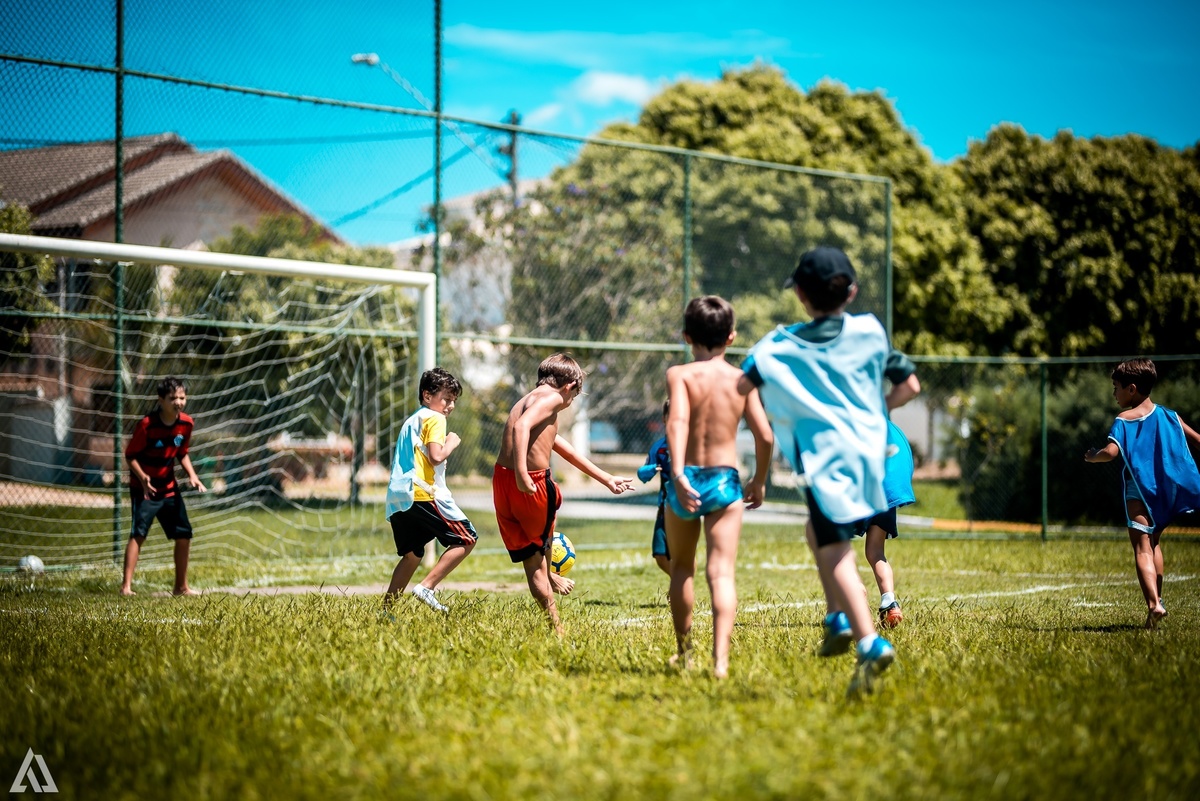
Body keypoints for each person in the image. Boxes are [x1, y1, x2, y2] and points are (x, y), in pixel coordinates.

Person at [738, 246, 900, 696]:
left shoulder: (778, 345)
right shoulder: (870, 331)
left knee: (832, 549)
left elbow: (742, 382)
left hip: (825, 461)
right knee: (817, 533)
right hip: (870, 455)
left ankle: (867, 640)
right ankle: (836, 619)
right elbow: (905, 380)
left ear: (801, 296)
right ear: (852, 291)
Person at [663, 296, 774, 679]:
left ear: (686, 336)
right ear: (731, 336)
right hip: (726, 481)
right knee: (722, 573)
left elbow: (677, 421)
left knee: (682, 568)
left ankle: (685, 653)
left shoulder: (680, 375)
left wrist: (677, 474)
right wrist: (758, 480)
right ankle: (721, 663)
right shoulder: (742, 380)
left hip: (687, 478)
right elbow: (764, 435)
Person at [493, 353, 635, 635]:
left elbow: (559, 445)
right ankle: (557, 626)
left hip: (502, 482)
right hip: (530, 482)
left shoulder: (527, 400)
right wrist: (523, 472)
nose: (570, 402)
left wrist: (605, 478)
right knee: (542, 552)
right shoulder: (554, 399)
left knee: (531, 560)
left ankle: (550, 584)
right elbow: (521, 429)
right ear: (569, 386)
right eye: (575, 395)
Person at [1084, 358, 1200, 629]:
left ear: (1132, 389)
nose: (1114, 393)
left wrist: (1093, 456)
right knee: (1154, 542)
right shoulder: (1170, 415)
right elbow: (1197, 440)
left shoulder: (1124, 419)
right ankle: (1153, 613)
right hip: (1165, 491)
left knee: (1141, 547)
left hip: (1140, 489)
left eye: (1116, 387)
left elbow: (1111, 453)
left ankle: (1154, 604)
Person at [382, 367, 478, 615]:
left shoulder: (413, 420)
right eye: (446, 398)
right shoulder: (435, 419)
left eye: (453, 400)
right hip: (422, 493)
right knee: (466, 538)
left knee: (412, 555)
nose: (450, 405)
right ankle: (427, 587)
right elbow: (436, 457)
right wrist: (451, 443)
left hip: (398, 496)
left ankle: (387, 612)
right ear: (427, 395)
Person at [120, 377, 207, 596]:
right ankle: (126, 587)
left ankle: (181, 587)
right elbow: (130, 456)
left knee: (184, 533)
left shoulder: (186, 424)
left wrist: (192, 475)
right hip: (145, 490)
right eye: (172, 398)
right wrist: (142, 478)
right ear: (161, 400)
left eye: (182, 397)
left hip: (169, 488)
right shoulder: (147, 425)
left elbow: (181, 453)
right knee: (138, 534)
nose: (178, 402)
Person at [861, 401, 921, 629]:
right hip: (888, 489)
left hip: (865, 486)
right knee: (875, 551)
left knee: (836, 546)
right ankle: (889, 602)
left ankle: (854, 596)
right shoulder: (890, 429)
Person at [636, 400, 672, 577]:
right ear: (664, 419)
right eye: (671, 416)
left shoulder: (693, 446)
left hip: (685, 508)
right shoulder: (659, 448)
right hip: (664, 508)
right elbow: (642, 475)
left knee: (683, 554)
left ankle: (682, 586)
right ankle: (680, 582)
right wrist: (649, 469)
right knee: (659, 554)